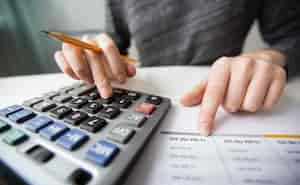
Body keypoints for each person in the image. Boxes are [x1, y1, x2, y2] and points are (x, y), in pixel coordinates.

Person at [54, 0, 300, 136]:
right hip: (148, 95)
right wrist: (95, 52)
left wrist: (269, 58)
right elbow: (114, 42)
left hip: (226, 97)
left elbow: (291, 35)